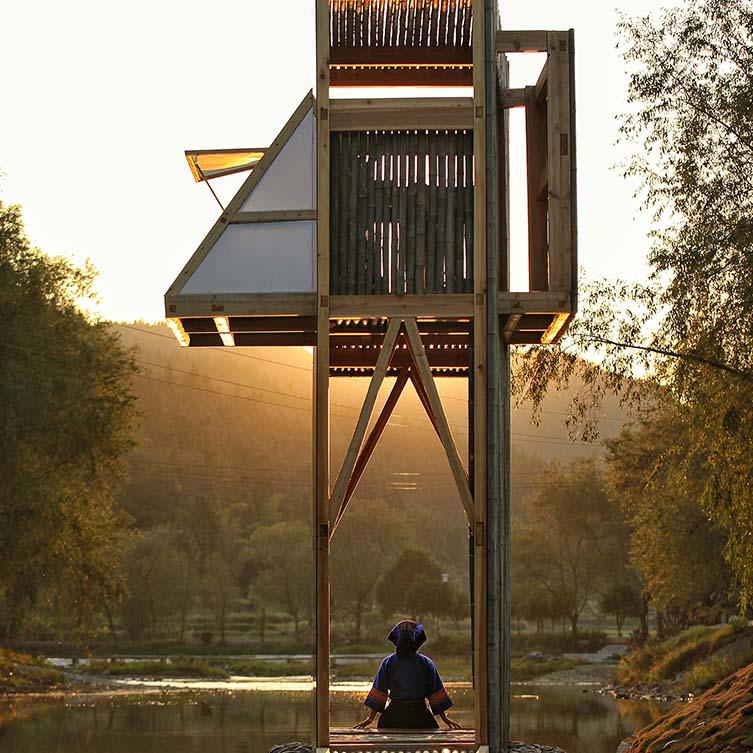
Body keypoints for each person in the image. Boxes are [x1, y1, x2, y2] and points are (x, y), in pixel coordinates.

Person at [354, 620, 461, 730]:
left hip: (394, 717)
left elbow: (379, 692)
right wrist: (445, 719)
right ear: (417, 641)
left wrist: (370, 719)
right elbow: (435, 693)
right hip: (420, 716)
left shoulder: (388, 662)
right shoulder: (426, 662)